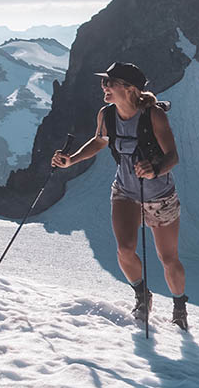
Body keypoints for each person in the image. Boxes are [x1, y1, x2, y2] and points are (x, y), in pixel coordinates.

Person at [51, 61, 188, 330]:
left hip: (160, 196)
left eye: (109, 82)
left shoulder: (154, 116)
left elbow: (172, 156)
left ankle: (179, 307)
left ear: (129, 88)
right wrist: (72, 160)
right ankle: (142, 295)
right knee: (125, 249)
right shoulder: (106, 115)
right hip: (125, 191)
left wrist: (154, 170)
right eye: (104, 81)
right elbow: (100, 141)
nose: (104, 86)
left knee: (168, 259)